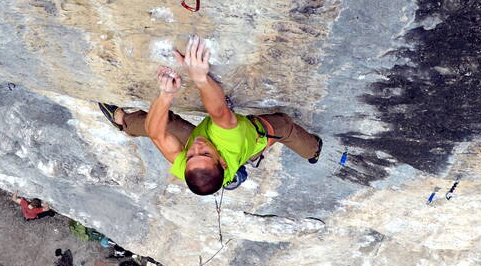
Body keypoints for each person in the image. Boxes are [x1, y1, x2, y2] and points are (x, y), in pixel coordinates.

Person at [98, 36, 322, 195]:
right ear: (222, 162)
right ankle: (313, 151)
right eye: (203, 152)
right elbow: (219, 112)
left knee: (164, 126)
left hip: (218, 156)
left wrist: (166, 94)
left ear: (185, 166)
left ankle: (123, 121)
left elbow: (157, 134)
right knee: (284, 126)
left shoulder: (191, 162)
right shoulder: (229, 142)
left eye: (191, 155)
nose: (196, 146)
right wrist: (200, 78)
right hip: (253, 137)